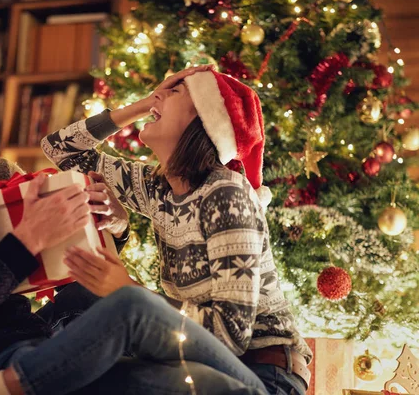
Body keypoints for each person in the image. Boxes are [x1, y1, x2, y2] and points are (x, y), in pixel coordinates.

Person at [0, 56, 268, 395]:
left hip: (24, 339)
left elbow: (48, 264)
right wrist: (30, 234)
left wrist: (108, 224)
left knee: (204, 381)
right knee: (150, 327)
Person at [42, 67, 314, 395]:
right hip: (196, 362)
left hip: (265, 375)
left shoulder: (226, 193)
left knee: (109, 366)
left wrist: (128, 290)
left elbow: (231, 335)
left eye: (175, 92)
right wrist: (142, 105)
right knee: (77, 302)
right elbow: (60, 149)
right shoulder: (157, 187)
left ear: (203, 121)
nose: (161, 93)